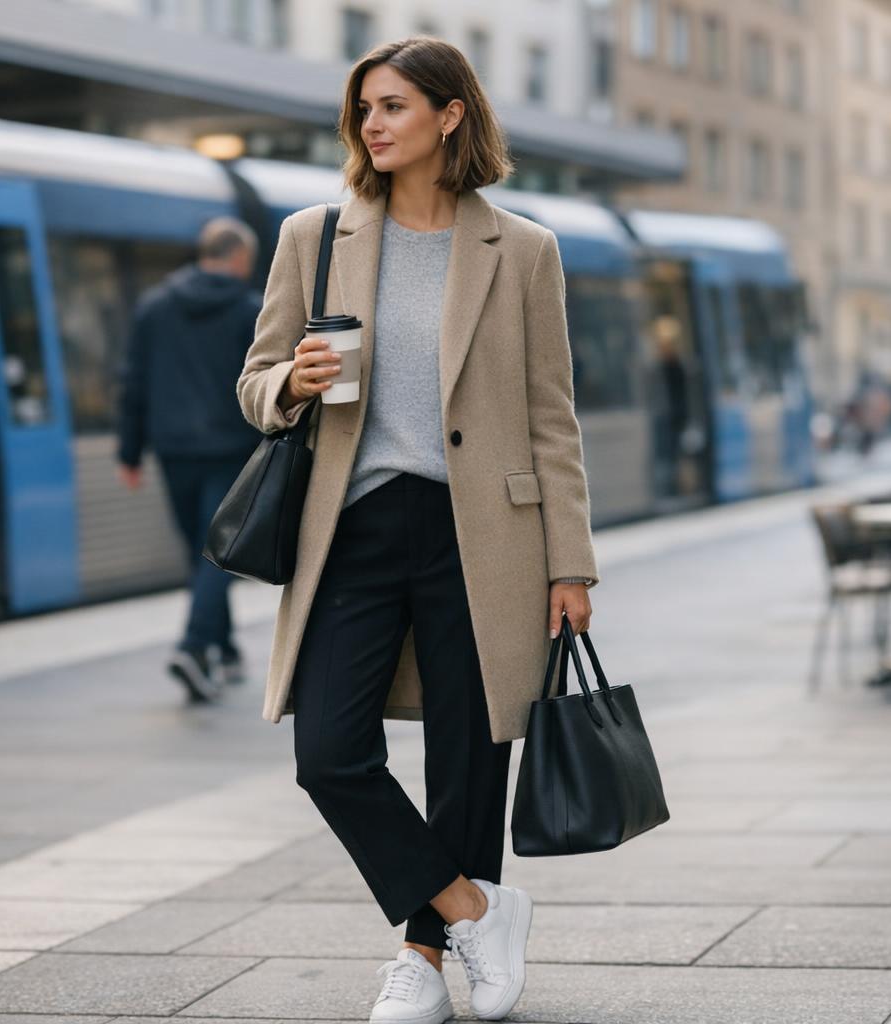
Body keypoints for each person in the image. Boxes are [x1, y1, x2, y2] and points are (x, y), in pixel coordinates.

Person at [236, 37, 597, 1024]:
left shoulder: (521, 249)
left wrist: (572, 562)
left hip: (484, 529)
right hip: (351, 529)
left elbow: (549, 413)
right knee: (330, 753)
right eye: (363, 110)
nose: (372, 124)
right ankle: (474, 908)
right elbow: (255, 381)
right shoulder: (316, 237)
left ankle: (420, 962)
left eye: (392, 105)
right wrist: (289, 386)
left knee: (471, 755)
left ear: (449, 115)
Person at [117, 217, 265, 702]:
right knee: (217, 555)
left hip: (173, 450)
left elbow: (133, 382)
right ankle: (196, 646)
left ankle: (221, 648)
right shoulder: (250, 310)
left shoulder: (154, 307)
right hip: (231, 449)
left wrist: (130, 452)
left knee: (200, 553)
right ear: (240, 258)